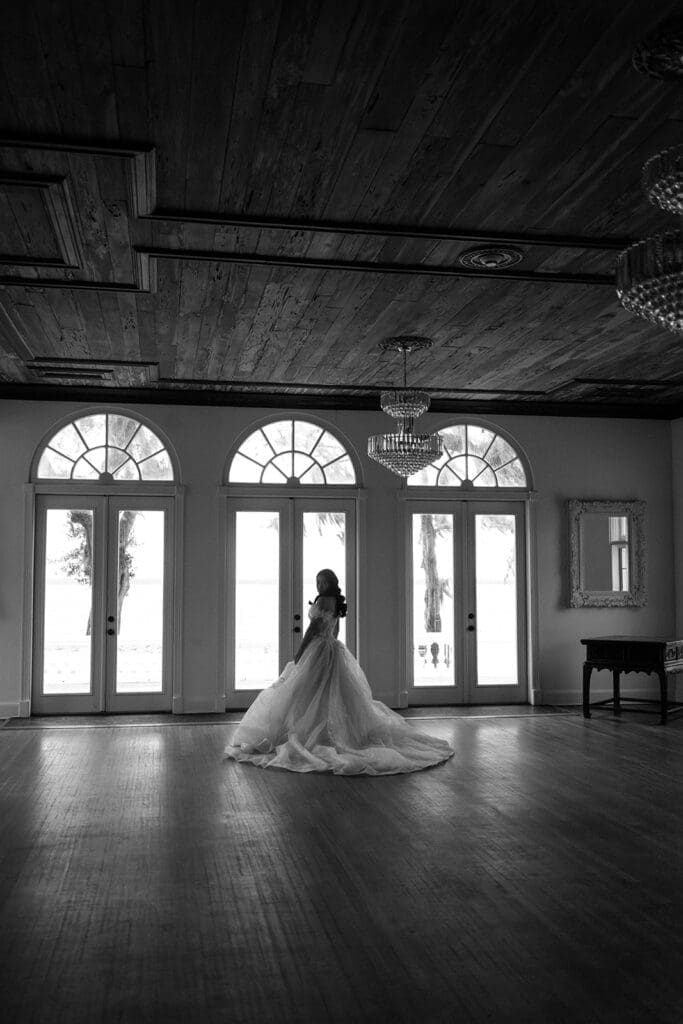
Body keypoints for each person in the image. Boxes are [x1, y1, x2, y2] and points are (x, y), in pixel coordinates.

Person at [224, 569, 454, 775]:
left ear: (330, 583)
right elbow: (336, 632)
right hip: (332, 649)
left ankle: (312, 734)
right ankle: (330, 733)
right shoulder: (336, 602)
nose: (319, 586)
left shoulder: (323, 600)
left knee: (306, 692)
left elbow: (312, 630)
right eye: (317, 582)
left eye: (322, 582)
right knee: (329, 695)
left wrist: (301, 653)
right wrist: (331, 648)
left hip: (318, 649)